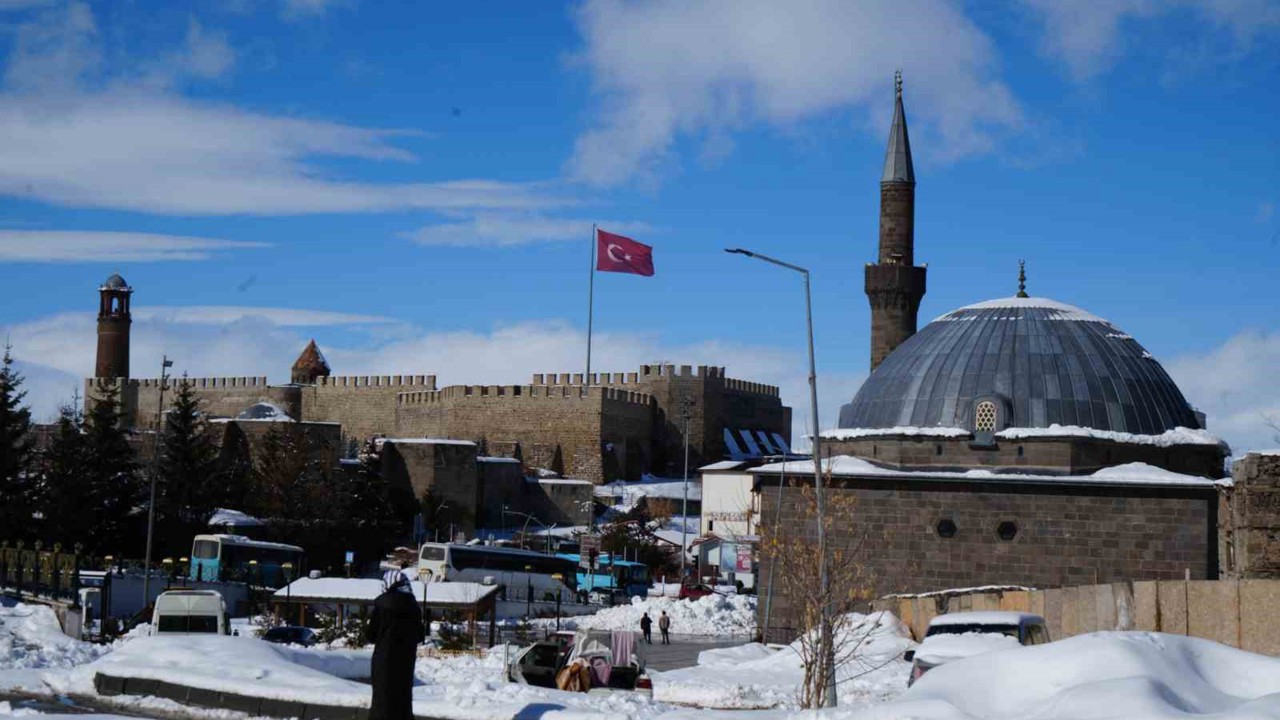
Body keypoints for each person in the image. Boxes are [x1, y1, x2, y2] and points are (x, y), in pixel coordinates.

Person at [368, 570, 424, 720]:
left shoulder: (381, 606)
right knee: (402, 700)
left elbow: (370, 636)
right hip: (406, 661)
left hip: (383, 661)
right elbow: (420, 636)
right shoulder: (414, 607)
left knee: (382, 700)